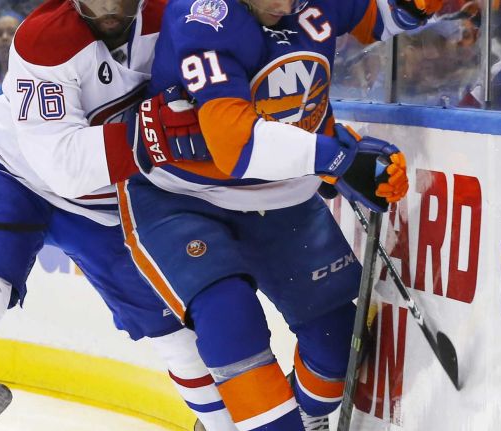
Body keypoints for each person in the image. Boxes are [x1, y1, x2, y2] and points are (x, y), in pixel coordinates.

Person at [0, 0, 236, 429]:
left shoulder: (175, 20)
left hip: (107, 204)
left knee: (177, 335)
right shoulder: (45, 38)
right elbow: (66, 168)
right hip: (14, 177)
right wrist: (154, 138)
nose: (110, 5)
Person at [118, 0, 439, 429]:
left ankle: (303, 418)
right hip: (185, 196)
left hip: (284, 199)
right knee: (229, 319)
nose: (285, 4)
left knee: (336, 345)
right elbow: (237, 146)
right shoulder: (204, 16)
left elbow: (379, 17)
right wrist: (336, 158)